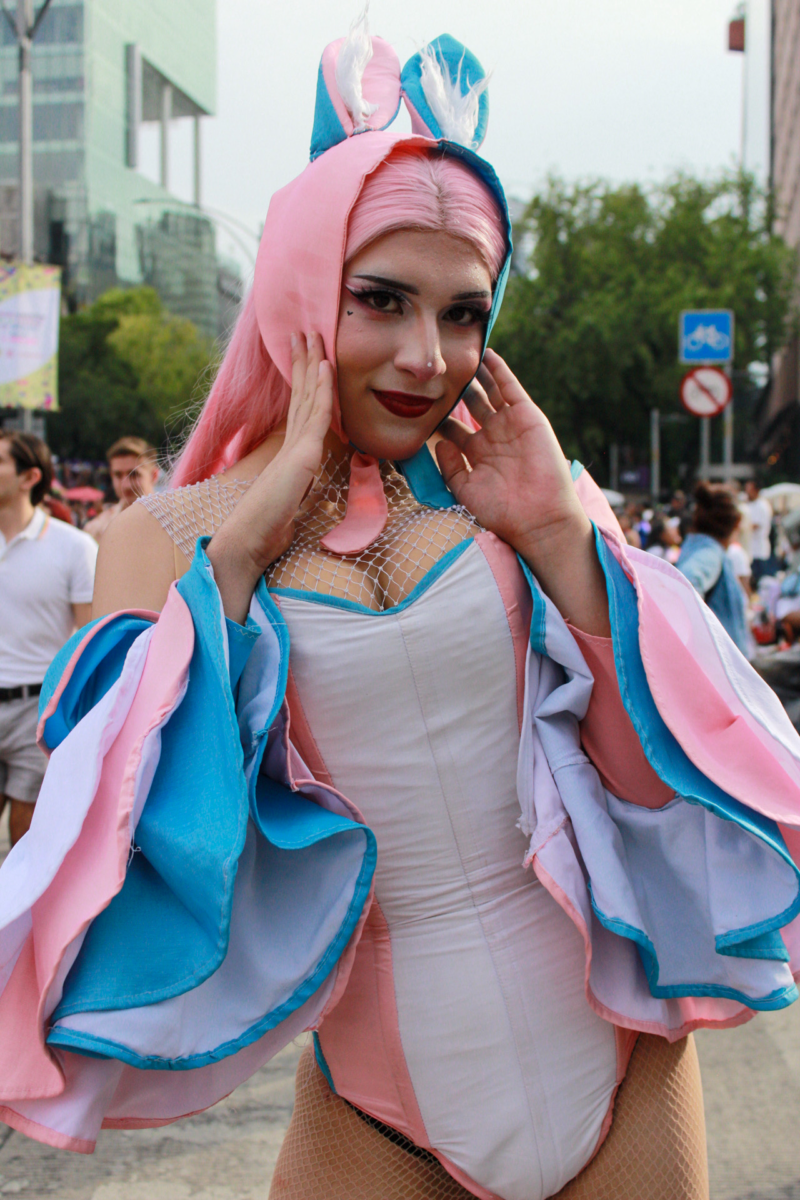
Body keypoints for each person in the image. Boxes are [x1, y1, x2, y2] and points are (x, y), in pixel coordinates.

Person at [1, 24, 800, 1200]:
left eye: (465, 312)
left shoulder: (533, 494)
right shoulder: (158, 542)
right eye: (380, 299)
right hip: (379, 1114)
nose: (427, 356)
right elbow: (145, 845)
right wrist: (235, 559)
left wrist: (559, 541)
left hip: (621, 1061)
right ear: (297, 286)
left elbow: (652, 781)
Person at [0, 432, 97, 845]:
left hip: (37, 709)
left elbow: (92, 637)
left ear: (29, 477)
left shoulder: (74, 547)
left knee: (26, 838)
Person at [676, 484, 749, 657]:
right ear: (737, 523)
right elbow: (687, 582)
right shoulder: (710, 553)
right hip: (717, 669)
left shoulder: (699, 547)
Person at [83, 436, 159, 543]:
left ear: (154, 475)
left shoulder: (175, 523)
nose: (126, 485)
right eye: (118, 475)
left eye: (134, 475)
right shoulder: (96, 529)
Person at [744, 477, 774, 585]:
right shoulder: (749, 504)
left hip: (760, 550)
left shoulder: (762, 506)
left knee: (760, 582)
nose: (747, 491)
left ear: (756, 490)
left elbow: (756, 525)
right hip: (750, 550)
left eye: (749, 489)